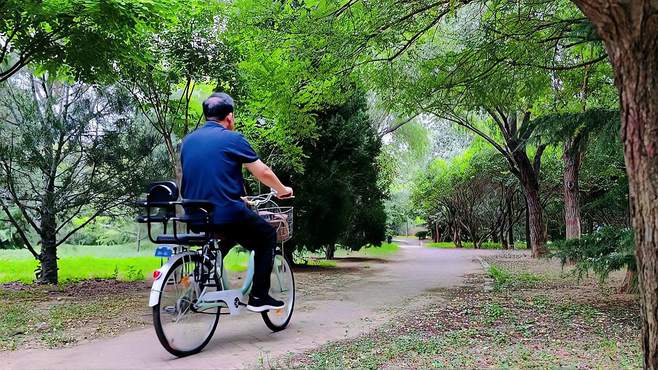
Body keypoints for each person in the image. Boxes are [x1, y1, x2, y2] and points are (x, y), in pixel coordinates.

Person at [180, 92, 293, 312]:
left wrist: (238, 196)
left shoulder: (188, 141)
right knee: (266, 236)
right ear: (229, 117)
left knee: (230, 234)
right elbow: (264, 171)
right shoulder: (232, 138)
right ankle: (259, 296)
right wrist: (282, 190)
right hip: (225, 213)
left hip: (195, 214)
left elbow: (205, 177)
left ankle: (202, 276)